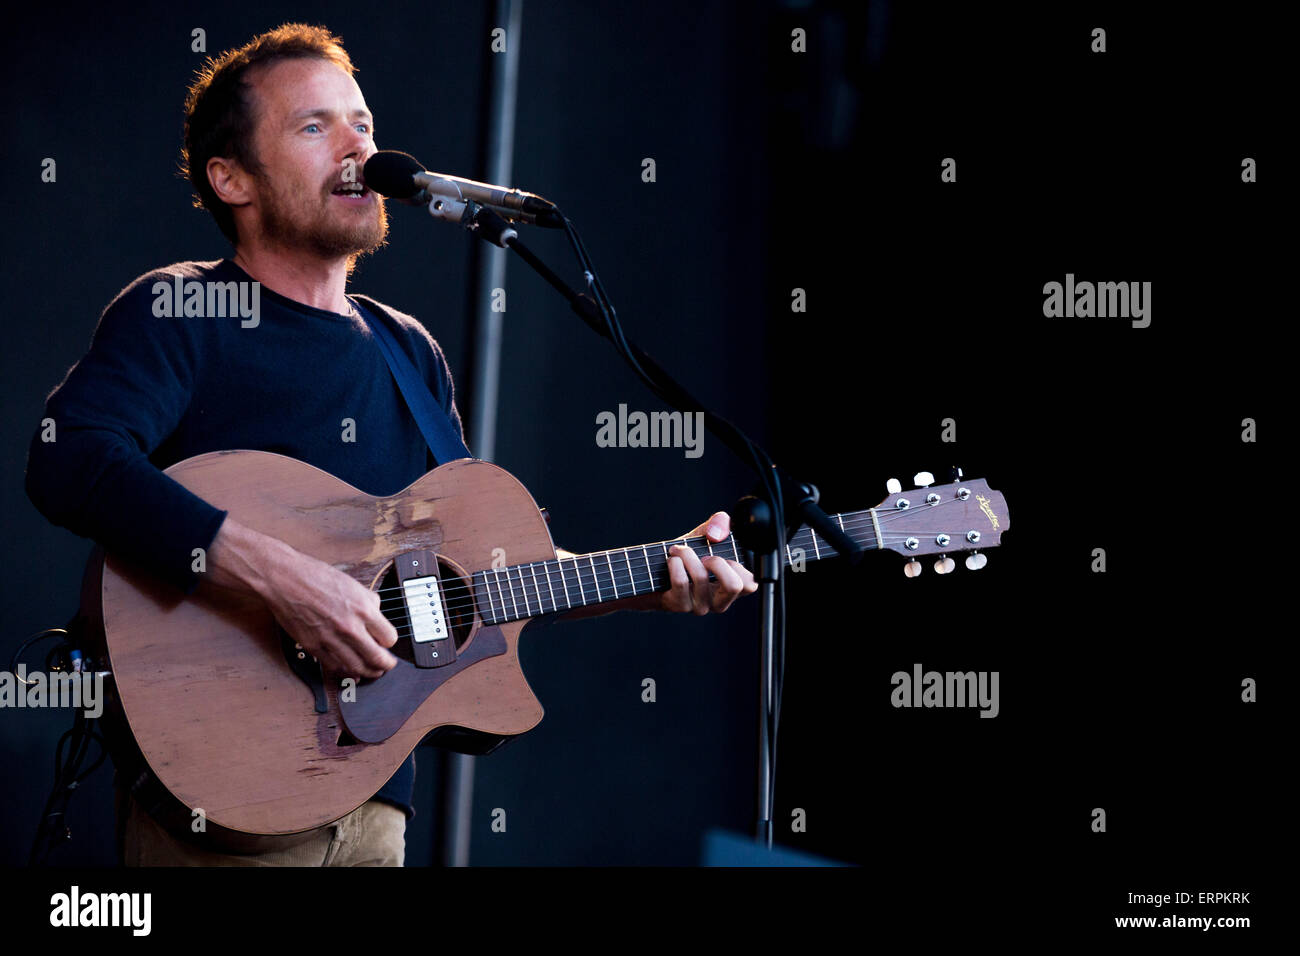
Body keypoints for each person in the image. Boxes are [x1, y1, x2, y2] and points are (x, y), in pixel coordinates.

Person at [24, 23, 756, 867]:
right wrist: (284, 580)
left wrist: (653, 582)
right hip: (228, 802)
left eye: (362, 124)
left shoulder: (408, 351)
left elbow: (481, 573)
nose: (359, 149)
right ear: (231, 179)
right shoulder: (181, 312)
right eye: (314, 127)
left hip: (373, 807)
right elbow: (68, 457)